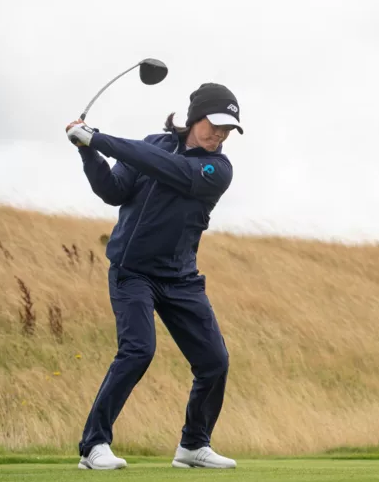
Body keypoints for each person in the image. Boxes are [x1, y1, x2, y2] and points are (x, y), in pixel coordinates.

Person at [66, 82, 243, 470]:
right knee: (138, 351)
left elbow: (169, 169)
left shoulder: (217, 169)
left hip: (180, 279)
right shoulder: (154, 144)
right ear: (195, 116)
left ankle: (194, 445)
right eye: (214, 124)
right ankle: (93, 446)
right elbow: (113, 191)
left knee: (214, 361)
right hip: (133, 274)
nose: (219, 134)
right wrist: (88, 152)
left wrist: (100, 138)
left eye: (227, 129)